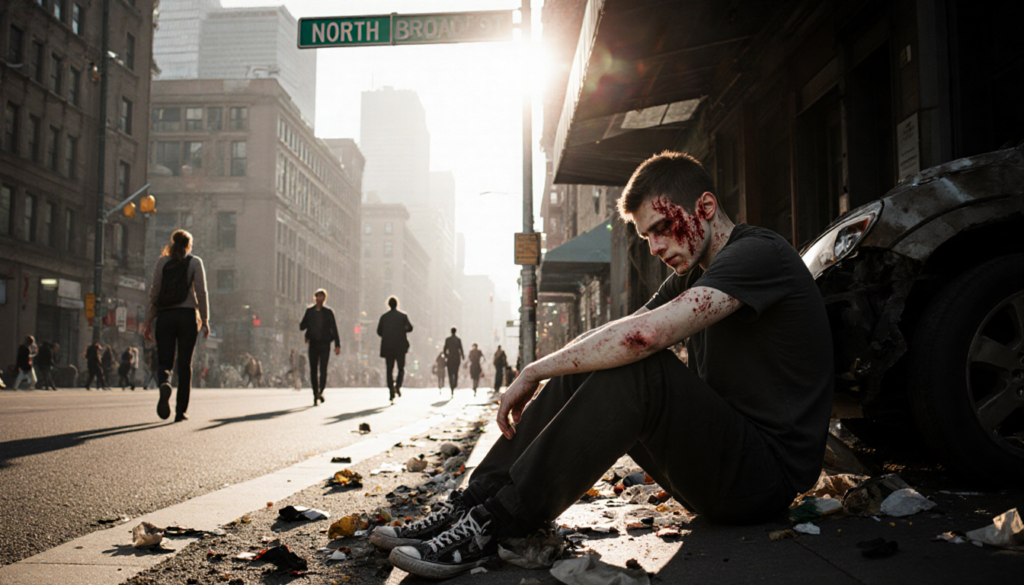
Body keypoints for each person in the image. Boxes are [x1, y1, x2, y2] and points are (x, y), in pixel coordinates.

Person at [376, 151, 834, 579]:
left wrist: (533, 372)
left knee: (640, 365)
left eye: (661, 227)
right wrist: (544, 367)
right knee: (593, 360)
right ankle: (473, 504)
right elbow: (613, 332)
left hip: (762, 481)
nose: (654, 247)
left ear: (706, 207)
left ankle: (498, 524)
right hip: (723, 467)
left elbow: (646, 336)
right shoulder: (694, 272)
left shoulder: (760, 254)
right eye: (646, 237)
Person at [144, 229, 210, 422]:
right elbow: (202, 292)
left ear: (172, 244)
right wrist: (205, 320)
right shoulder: (195, 262)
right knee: (184, 365)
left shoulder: (162, 262)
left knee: (165, 360)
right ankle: (181, 411)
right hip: (187, 317)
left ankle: (164, 382)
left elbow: (155, 293)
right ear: (189, 245)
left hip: (165, 316)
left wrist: (148, 320)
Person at [299, 288, 341, 406]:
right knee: (313, 369)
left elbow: (334, 329)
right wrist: (308, 327)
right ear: (315, 298)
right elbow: (302, 326)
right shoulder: (310, 312)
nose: (320, 299)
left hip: (325, 344)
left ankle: (321, 390)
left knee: (323, 369)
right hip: (313, 344)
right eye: (318, 297)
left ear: (324, 299)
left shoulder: (328, 312)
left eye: (322, 297)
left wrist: (337, 345)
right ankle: (315, 393)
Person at [376, 296, 414, 404]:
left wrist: (387, 334)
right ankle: (398, 385)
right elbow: (410, 328)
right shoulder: (403, 317)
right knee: (401, 368)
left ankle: (391, 391)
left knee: (389, 369)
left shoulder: (384, 317)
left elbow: (379, 331)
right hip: (400, 347)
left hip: (388, 347)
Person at [443, 327, 464, 397]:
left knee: (450, 373)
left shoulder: (448, 340)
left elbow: (444, 349)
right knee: (455, 372)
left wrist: (446, 356)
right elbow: (460, 349)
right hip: (456, 358)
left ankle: (451, 385)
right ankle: (454, 384)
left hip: (450, 358)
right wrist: (462, 356)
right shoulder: (458, 340)